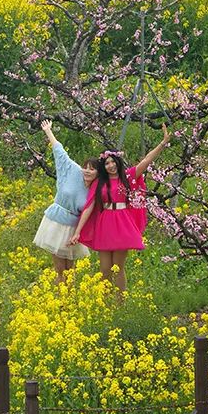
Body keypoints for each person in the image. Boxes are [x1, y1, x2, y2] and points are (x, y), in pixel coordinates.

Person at [69, 125, 171, 293]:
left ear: (118, 162)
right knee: (104, 269)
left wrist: (163, 142)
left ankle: (120, 302)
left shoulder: (129, 176)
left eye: (112, 162)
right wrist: (77, 231)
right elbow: (89, 206)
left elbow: (146, 161)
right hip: (105, 222)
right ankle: (107, 305)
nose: (110, 166)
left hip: (122, 221)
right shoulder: (99, 182)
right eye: (107, 163)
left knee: (118, 267)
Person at [33, 118, 99, 282]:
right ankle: (60, 299)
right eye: (86, 167)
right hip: (56, 223)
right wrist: (48, 131)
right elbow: (59, 152)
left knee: (71, 270)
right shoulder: (73, 170)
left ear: (98, 173)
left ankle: (68, 299)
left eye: (92, 169)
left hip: (73, 228)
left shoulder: (96, 189)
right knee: (60, 269)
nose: (87, 171)